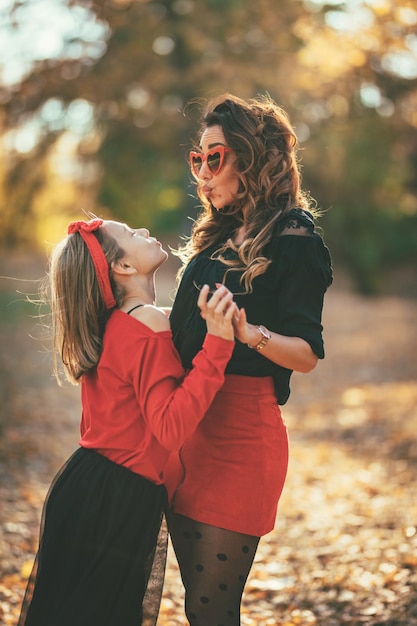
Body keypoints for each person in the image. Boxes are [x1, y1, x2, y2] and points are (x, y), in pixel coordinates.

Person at [17, 217, 238, 626]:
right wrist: (219, 345)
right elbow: (170, 427)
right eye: (130, 234)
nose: (142, 232)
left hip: (90, 486)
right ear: (122, 267)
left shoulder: (123, 320)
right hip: (115, 495)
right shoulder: (147, 321)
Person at [164, 93, 333, 625]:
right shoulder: (212, 238)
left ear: (252, 158)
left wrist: (245, 331)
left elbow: (306, 355)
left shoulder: (294, 236)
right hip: (185, 430)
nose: (204, 172)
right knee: (197, 606)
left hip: (241, 436)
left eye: (215, 156)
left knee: (213, 611)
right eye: (199, 158)